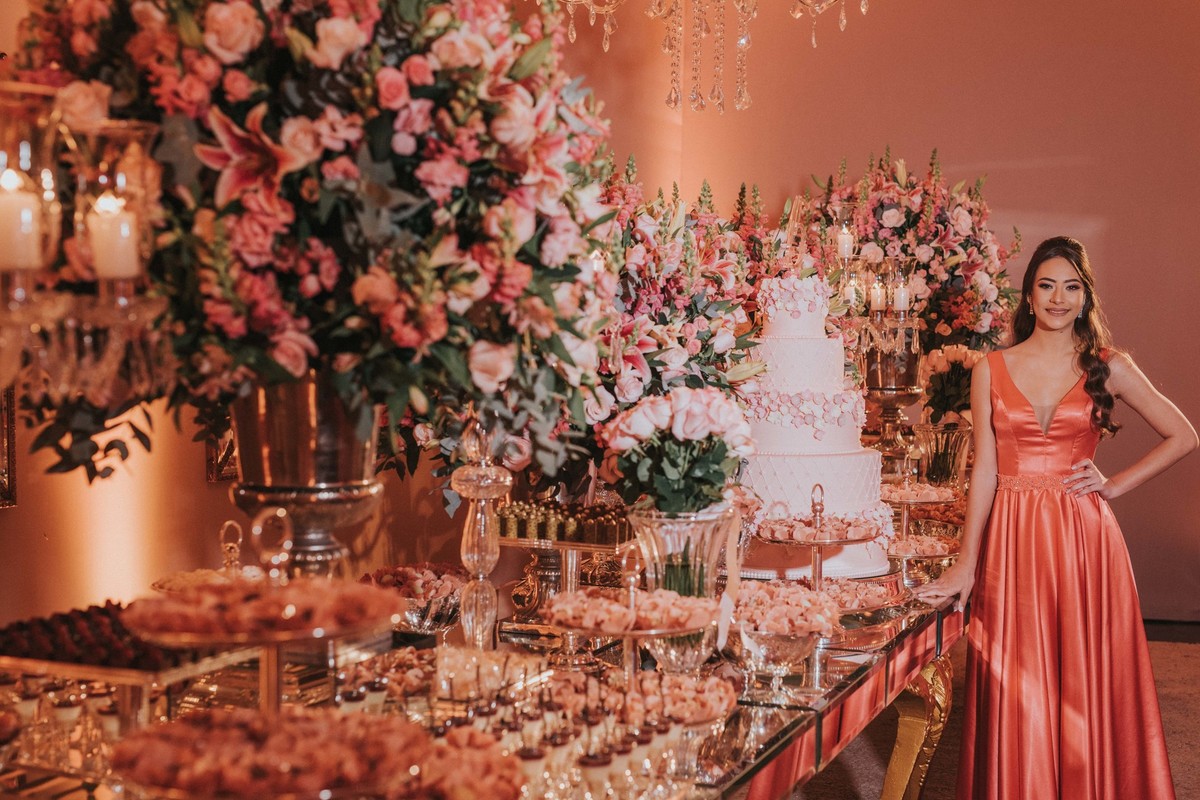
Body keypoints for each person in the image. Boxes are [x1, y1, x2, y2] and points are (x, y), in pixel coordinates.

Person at [914, 236, 1197, 799]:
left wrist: (1113, 485)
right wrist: (967, 563)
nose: (1058, 298)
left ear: (1086, 297)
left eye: (1071, 287)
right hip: (1012, 537)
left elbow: (1184, 435)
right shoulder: (991, 368)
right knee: (1016, 676)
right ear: (1029, 295)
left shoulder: (1109, 367)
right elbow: (985, 470)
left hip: (1082, 539)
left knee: (1083, 674)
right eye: (1047, 286)